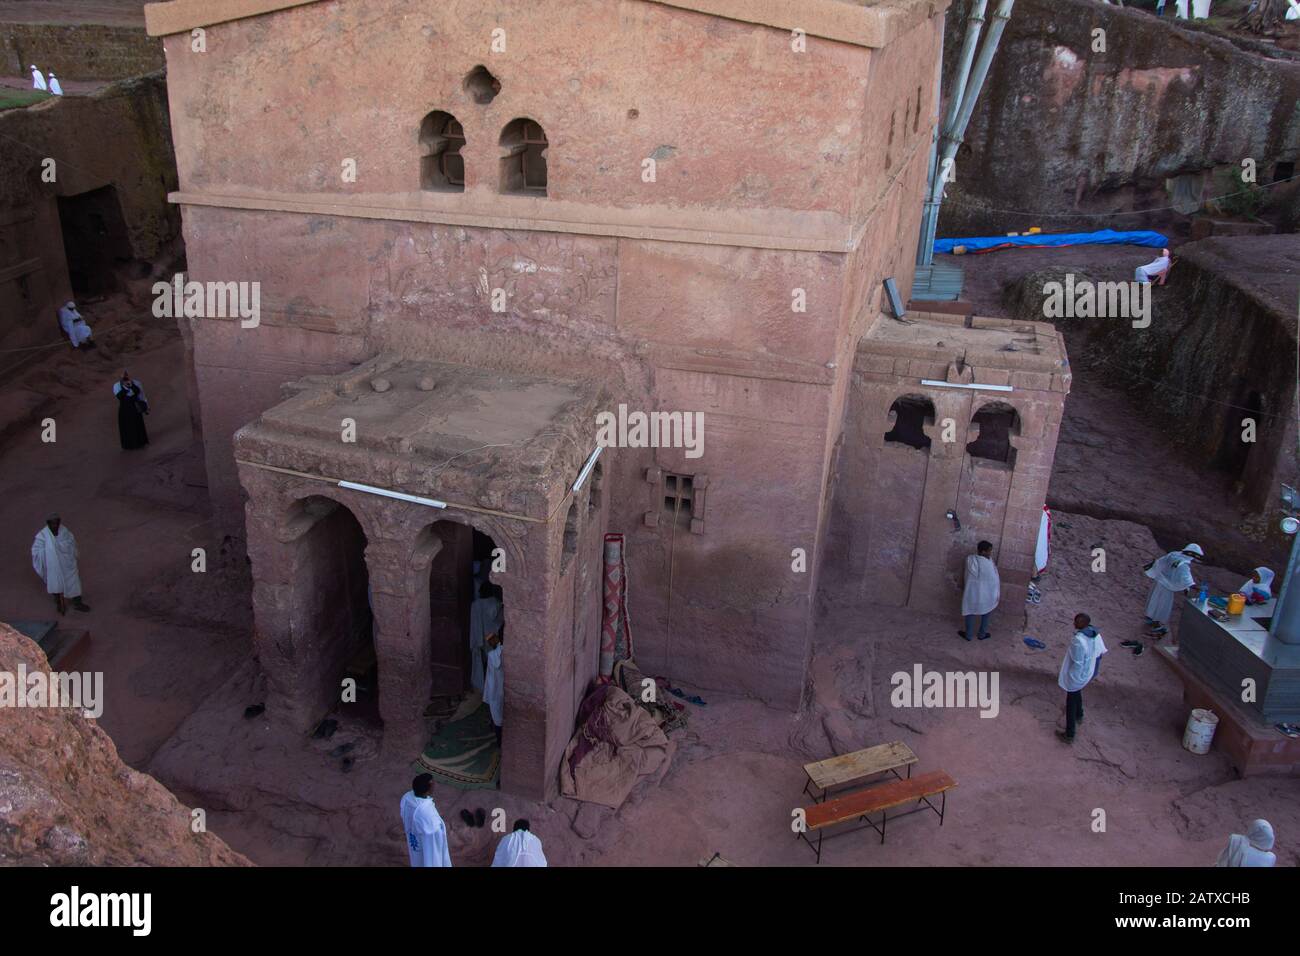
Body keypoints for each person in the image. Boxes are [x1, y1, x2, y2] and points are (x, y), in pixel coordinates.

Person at [31, 514, 90, 616]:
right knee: (56, 585)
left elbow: (71, 543)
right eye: (52, 523)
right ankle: (59, 602)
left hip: (67, 565)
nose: (55, 525)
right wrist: (49, 551)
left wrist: (58, 546)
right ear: (48, 524)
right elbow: (36, 550)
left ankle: (77, 602)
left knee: (73, 583)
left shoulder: (64, 532)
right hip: (53, 565)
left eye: (56, 523)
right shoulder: (42, 535)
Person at [1057, 613, 1100, 744]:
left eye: (1076, 622)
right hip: (1087, 671)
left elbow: (1077, 661)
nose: (1074, 624)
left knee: (1071, 700)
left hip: (1077, 674)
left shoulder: (1078, 640)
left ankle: (1070, 734)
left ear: (1081, 624)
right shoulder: (1093, 634)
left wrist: (1071, 677)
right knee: (1077, 693)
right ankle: (1079, 714)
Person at [1143, 543, 1202, 636]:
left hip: (1159, 580)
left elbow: (1160, 563)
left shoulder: (1173, 554)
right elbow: (1185, 580)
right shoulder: (1183, 565)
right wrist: (1194, 586)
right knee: (1163, 605)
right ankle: (1157, 623)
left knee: (1154, 600)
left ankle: (1149, 617)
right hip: (1167, 586)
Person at [398, 773, 451, 867]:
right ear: (427, 790)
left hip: (415, 841)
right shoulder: (427, 814)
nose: (435, 784)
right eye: (433, 783)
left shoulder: (407, 798)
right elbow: (435, 839)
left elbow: (403, 814)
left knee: (417, 861)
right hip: (428, 847)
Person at [959, 540, 999, 642]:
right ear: (982, 552)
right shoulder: (989, 563)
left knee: (970, 610)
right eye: (989, 551)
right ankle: (982, 634)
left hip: (973, 592)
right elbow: (993, 579)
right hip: (987, 594)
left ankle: (968, 635)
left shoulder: (970, 559)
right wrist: (994, 592)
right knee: (987, 611)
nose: (990, 553)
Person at [468, 579, 502, 692]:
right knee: (494, 661)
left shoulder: (476, 604)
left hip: (479, 637)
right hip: (492, 636)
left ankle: (483, 688)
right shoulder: (496, 603)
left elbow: (474, 624)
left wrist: (475, 640)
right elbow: (500, 621)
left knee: (481, 662)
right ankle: (493, 688)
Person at [114, 371, 150, 450]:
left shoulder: (137, 383)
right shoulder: (116, 385)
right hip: (124, 409)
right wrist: (126, 387)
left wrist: (146, 407)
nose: (125, 376)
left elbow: (142, 395)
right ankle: (129, 445)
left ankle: (140, 443)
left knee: (138, 424)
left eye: (126, 374)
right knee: (127, 427)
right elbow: (118, 396)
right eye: (123, 374)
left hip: (135, 407)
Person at [484, 630, 504, 745]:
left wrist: (488, 694)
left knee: (497, 716)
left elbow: (491, 677)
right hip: (504, 689)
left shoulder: (492, 656)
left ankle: (499, 742)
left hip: (496, 690)